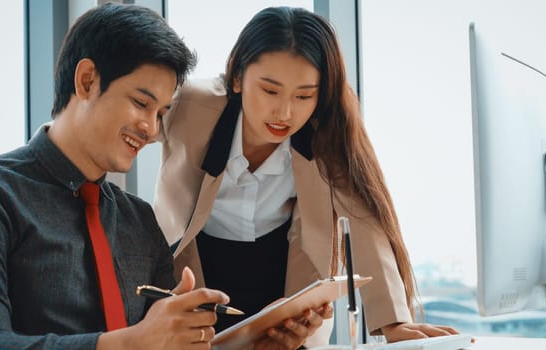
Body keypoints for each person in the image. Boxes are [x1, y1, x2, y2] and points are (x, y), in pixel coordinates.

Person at [0, 3, 328, 350]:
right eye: (141, 103)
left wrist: (260, 341)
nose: (150, 128)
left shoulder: (141, 223)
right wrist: (134, 342)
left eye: (161, 113)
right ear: (86, 81)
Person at [154, 5, 462, 346]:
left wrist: (394, 324)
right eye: (270, 91)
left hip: (283, 290)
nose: (284, 112)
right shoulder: (191, 105)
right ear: (238, 77)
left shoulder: (328, 135)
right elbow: (127, 122)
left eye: (304, 96)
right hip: (196, 272)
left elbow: (364, 224)